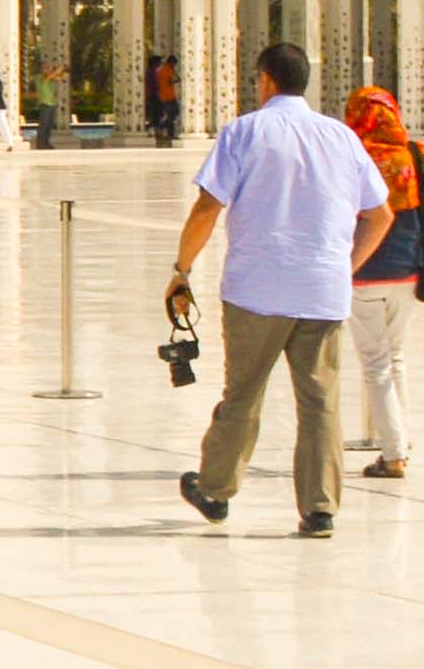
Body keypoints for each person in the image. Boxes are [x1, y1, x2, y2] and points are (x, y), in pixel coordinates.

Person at [166, 41, 395, 538]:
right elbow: (380, 215)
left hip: (257, 292)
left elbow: (208, 208)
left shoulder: (245, 132)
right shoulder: (341, 137)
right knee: (320, 402)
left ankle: (216, 490)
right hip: (322, 292)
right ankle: (320, 508)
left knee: (243, 395)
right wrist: (344, 265)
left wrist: (181, 269)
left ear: (266, 80)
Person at [343, 85, 424, 479]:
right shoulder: (417, 155)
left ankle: (394, 453)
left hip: (362, 271)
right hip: (408, 270)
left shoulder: (350, 158)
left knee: (374, 362)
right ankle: (400, 436)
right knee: (395, 355)